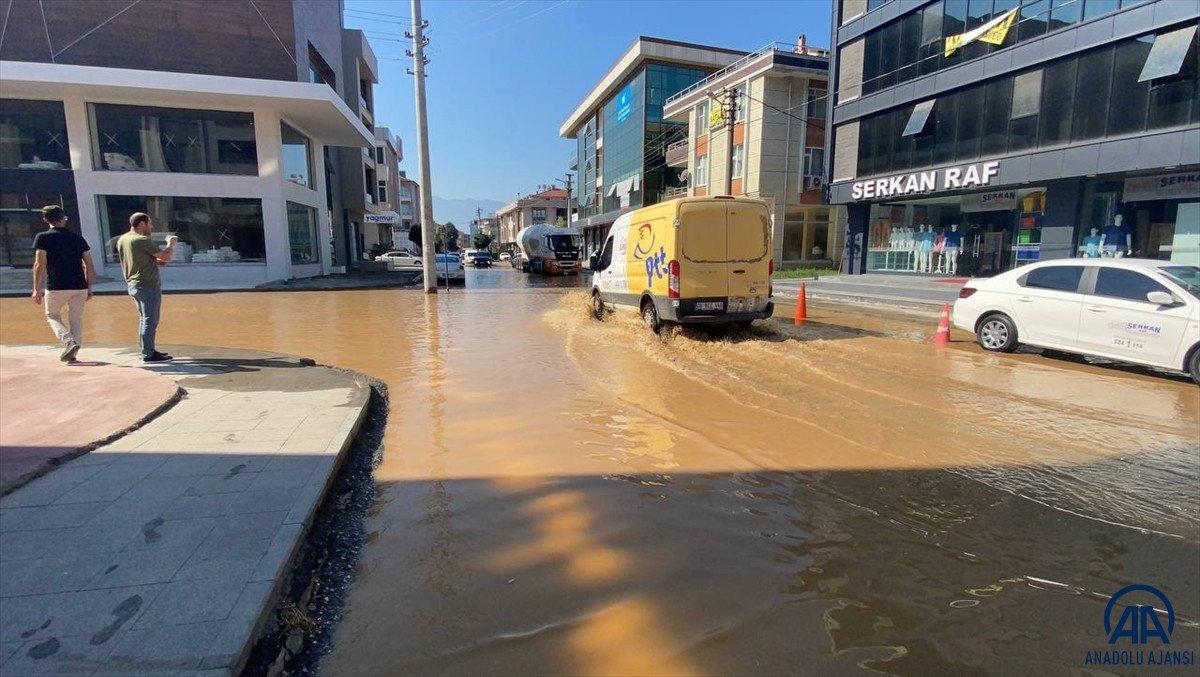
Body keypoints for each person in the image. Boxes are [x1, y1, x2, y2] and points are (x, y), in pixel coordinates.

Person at [31, 205, 93, 362]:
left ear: (46, 220)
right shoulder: (77, 238)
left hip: (57, 285)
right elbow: (89, 264)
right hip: (79, 286)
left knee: (52, 315)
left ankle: (68, 341)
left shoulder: (42, 238)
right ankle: (73, 354)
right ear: (63, 218)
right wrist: (89, 287)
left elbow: (40, 264)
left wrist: (36, 289)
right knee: (75, 319)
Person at [117, 212, 176, 362]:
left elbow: (150, 260)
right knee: (150, 321)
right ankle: (148, 355)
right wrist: (170, 243)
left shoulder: (123, 239)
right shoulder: (141, 240)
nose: (152, 226)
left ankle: (147, 349)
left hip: (133, 285)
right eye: (150, 223)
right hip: (147, 285)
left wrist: (157, 261)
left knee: (144, 320)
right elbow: (166, 257)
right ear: (142, 224)